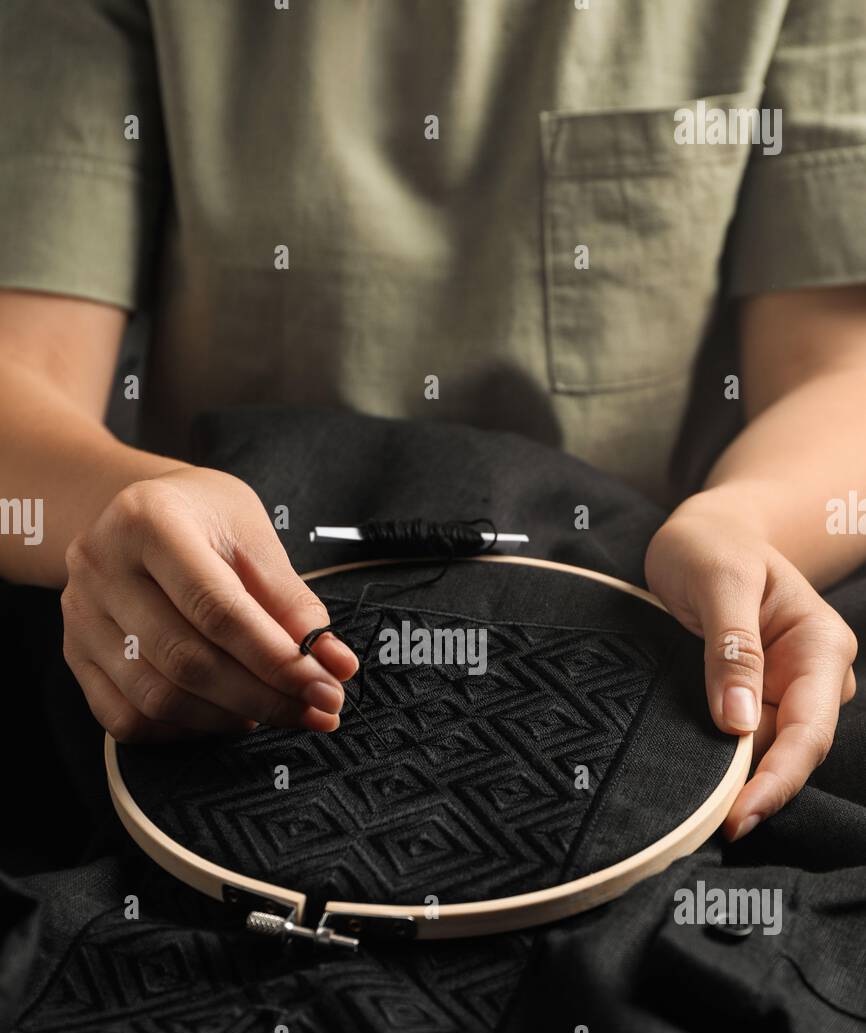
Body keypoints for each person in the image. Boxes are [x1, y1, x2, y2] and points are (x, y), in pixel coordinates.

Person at [0, 0, 864, 844]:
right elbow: (23, 371)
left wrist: (744, 524)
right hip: (234, 641)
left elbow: (838, 367)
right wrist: (130, 508)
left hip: (651, 617)